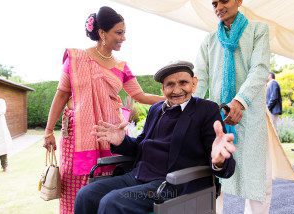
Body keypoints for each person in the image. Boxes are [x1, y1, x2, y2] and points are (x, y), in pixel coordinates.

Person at [42, 6, 164, 214]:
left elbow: (140, 96)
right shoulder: (77, 59)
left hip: (110, 131)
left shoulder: (122, 66)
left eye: (124, 32)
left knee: (107, 178)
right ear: (102, 33)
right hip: (79, 134)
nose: (123, 37)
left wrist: (172, 98)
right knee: (76, 183)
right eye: (119, 32)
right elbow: (62, 94)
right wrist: (48, 131)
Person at [74, 61, 236, 214]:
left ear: (194, 83)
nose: (177, 89)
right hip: (138, 176)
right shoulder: (156, 109)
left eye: (183, 83)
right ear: (162, 89)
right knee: (86, 194)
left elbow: (219, 155)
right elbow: (140, 147)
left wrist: (219, 161)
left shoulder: (206, 110)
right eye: (170, 84)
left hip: (172, 184)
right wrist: (121, 141)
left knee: (112, 202)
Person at [194, 0, 272, 213]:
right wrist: (188, 109)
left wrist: (240, 101)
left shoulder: (258, 30)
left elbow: (260, 68)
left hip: (250, 116)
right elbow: (200, 79)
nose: (218, 6)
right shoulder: (209, 40)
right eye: (214, 3)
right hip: (217, 119)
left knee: (258, 182)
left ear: (239, 1)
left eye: (224, 0)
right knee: (213, 180)